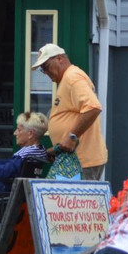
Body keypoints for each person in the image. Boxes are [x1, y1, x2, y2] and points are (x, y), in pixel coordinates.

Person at [32, 43, 108, 179]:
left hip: (81, 161)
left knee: (77, 194)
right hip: (73, 160)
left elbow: (93, 108)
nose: (46, 72)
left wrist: (72, 137)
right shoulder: (67, 79)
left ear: (59, 59)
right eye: (42, 70)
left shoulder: (72, 77)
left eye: (46, 67)